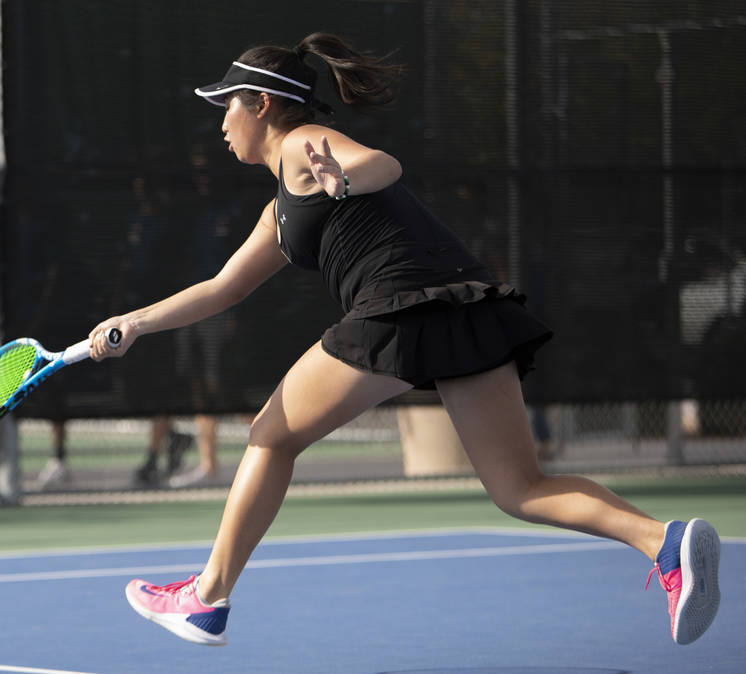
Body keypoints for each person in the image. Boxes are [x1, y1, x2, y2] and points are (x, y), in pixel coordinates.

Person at [87, 33, 722, 646]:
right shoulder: (279, 208)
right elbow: (222, 287)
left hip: (399, 308)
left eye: (228, 104)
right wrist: (135, 322)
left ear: (263, 104)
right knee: (520, 489)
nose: (221, 123)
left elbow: (382, 165)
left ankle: (206, 597)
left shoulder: (308, 143)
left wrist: (344, 176)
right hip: (466, 306)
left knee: (270, 436)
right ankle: (662, 543)